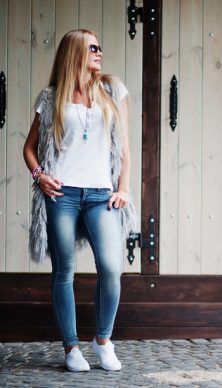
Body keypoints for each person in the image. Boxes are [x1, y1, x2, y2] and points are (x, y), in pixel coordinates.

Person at [23, 29, 137, 372]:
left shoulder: (112, 91)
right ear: (75, 53)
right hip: (62, 193)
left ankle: (102, 340)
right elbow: (29, 148)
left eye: (100, 47)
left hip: (101, 193)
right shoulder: (51, 96)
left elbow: (125, 148)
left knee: (111, 269)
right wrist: (39, 175)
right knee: (64, 272)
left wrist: (124, 188)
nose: (100, 53)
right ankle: (71, 347)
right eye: (93, 48)